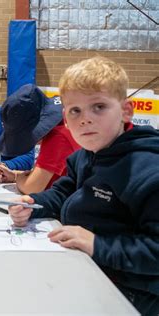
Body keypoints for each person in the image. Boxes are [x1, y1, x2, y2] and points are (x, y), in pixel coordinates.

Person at [8, 56, 159, 315]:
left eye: (98, 107)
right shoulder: (87, 154)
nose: (84, 119)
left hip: (133, 295)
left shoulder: (148, 171)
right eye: (75, 111)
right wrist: (34, 205)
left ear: (126, 111)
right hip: (89, 270)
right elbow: (63, 192)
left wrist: (97, 244)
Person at [0, 84, 81, 193]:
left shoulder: (57, 136)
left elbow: (32, 188)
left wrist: (19, 179)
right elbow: (47, 177)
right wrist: (15, 175)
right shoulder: (62, 125)